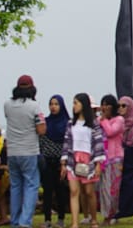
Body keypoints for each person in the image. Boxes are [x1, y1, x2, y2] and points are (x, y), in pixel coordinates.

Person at [5, 75, 47, 228]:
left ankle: (14, 221)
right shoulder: (34, 106)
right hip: (29, 151)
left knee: (16, 186)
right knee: (31, 185)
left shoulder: (7, 105)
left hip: (12, 152)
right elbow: (41, 130)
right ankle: (25, 222)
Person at [61, 94, 106, 228]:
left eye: (76, 103)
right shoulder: (70, 123)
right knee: (74, 191)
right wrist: (63, 163)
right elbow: (66, 142)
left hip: (89, 158)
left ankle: (93, 219)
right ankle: (75, 222)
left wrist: (98, 164)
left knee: (89, 192)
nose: (73, 106)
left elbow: (98, 143)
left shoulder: (94, 124)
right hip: (73, 158)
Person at [42, 95, 71, 228]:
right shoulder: (45, 122)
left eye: (56, 104)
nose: (53, 107)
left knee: (60, 191)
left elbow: (69, 144)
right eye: (51, 104)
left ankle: (61, 219)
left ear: (61, 106)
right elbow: (41, 141)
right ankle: (47, 219)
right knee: (47, 191)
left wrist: (65, 162)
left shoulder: (67, 123)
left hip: (61, 163)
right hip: (47, 161)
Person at [97, 95, 125, 224]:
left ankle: (114, 214)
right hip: (103, 159)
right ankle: (106, 215)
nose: (104, 107)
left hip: (116, 159)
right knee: (104, 189)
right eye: (103, 104)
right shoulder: (99, 120)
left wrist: (104, 120)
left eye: (107, 104)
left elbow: (110, 132)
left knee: (115, 189)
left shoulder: (119, 120)